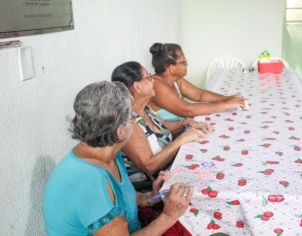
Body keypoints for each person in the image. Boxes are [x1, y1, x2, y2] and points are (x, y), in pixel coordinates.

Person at [43, 81, 193, 235]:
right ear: (120, 131)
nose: (135, 121)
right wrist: (169, 216)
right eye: (132, 117)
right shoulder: (88, 181)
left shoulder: (108, 153)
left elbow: (124, 201)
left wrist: (151, 196)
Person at [111, 62, 212, 184]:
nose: (153, 80)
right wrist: (181, 140)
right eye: (148, 77)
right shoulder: (129, 123)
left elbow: (164, 126)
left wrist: (187, 123)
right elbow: (149, 167)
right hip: (151, 185)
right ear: (137, 87)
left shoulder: (145, 108)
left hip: (168, 169)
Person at [149, 42, 247, 121]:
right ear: (171, 68)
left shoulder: (176, 80)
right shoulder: (157, 85)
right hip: (172, 138)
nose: (187, 64)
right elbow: (187, 111)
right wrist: (227, 105)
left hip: (184, 127)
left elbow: (199, 94)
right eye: (184, 62)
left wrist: (227, 98)